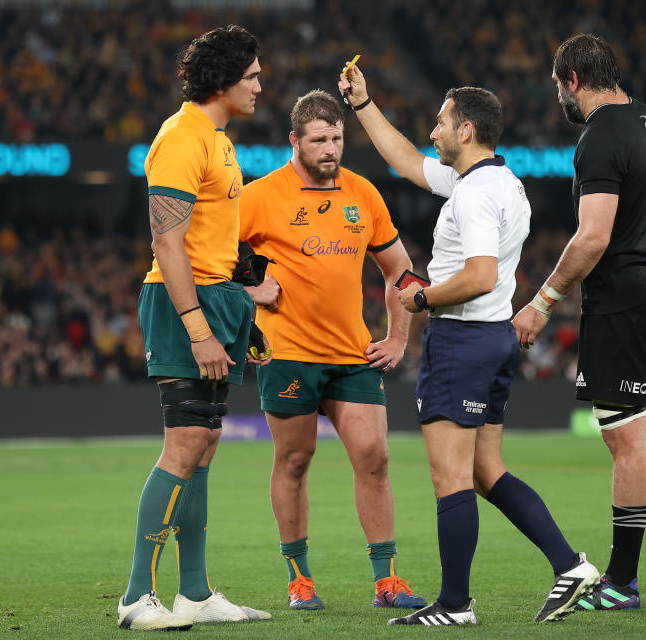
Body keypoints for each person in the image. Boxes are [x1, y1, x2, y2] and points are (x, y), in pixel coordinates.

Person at [339, 64, 599, 627]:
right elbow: (405, 161)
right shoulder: (499, 183)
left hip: (461, 339)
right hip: (496, 336)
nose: (432, 132)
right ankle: (570, 566)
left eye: (440, 122)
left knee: (450, 478)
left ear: (465, 131)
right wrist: (363, 105)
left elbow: (479, 273)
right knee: (486, 472)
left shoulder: (473, 196)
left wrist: (421, 299)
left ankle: (455, 605)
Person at [513, 33, 646, 611]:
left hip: (624, 301)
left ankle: (621, 584)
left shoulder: (599, 136)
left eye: (559, 86)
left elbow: (594, 235)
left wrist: (543, 300)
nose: (561, 96)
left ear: (572, 79)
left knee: (623, 440)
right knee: (636, 430)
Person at [238, 89, 427, 612]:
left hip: (351, 355)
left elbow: (400, 272)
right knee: (295, 460)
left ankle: (387, 582)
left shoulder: (362, 194)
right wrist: (248, 290)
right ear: (294, 141)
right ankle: (300, 580)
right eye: (319, 140)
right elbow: (199, 254)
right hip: (289, 353)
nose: (330, 148)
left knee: (374, 457)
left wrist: (396, 338)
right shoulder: (260, 196)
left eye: (337, 138)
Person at [117, 25, 274, 631]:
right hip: (184, 308)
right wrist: (199, 328)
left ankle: (196, 594)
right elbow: (167, 239)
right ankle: (136, 598)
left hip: (217, 303)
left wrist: (242, 312)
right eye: (253, 76)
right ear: (225, 80)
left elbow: (213, 244)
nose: (260, 86)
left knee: (205, 448)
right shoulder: (183, 137)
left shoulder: (218, 140)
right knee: (183, 447)